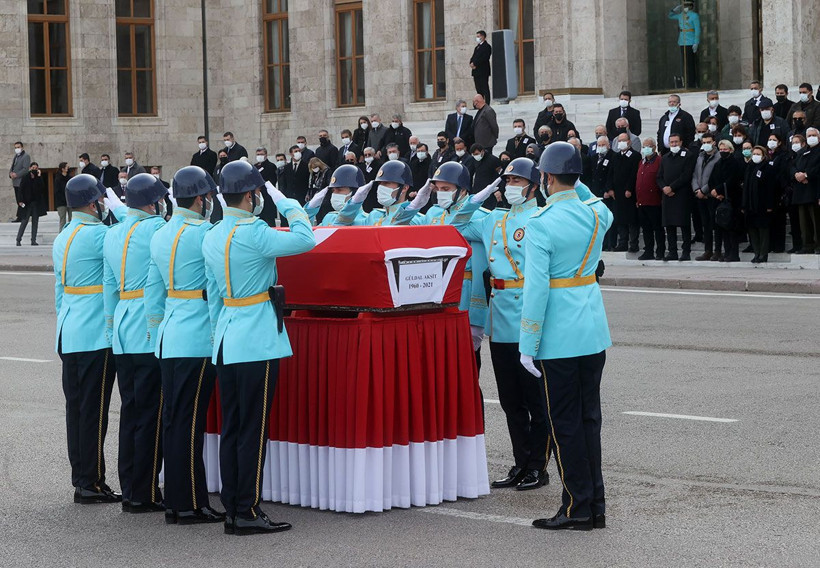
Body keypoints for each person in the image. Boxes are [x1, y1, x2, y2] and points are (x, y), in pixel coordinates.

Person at [202, 160, 314, 535]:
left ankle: (233, 505)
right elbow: (305, 238)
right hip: (257, 340)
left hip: (228, 339)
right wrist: (290, 203)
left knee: (233, 426)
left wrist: (219, 335)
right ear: (251, 196)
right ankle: (246, 511)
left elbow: (215, 297)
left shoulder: (213, 234)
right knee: (253, 428)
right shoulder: (255, 231)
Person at [444, 158, 557, 492]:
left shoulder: (542, 217)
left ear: (534, 186)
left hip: (529, 312)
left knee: (537, 399)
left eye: (517, 180)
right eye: (506, 180)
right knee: (510, 400)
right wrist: (483, 193)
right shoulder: (493, 219)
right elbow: (454, 220)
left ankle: (539, 465)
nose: (510, 186)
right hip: (501, 316)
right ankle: (521, 462)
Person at [520, 142, 613, 531]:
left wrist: (527, 344)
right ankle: (595, 506)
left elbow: (536, 290)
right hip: (592, 330)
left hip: (558, 336)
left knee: (565, 424)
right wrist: (574, 181)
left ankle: (576, 507)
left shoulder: (541, 223)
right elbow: (592, 200)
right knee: (589, 419)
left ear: (546, 177)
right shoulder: (597, 215)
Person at [144, 166, 224, 525]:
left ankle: (178, 501)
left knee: (175, 421)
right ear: (201, 199)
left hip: (169, 335)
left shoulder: (160, 234)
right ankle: (191, 503)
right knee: (190, 424)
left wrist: (156, 329)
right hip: (196, 337)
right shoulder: (206, 232)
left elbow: (152, 291)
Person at [54, 173, 126, 505]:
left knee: (77, 410)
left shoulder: (63, 236)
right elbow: (130, 235)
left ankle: (81, 477)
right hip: (95, 332)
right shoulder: (100, 235)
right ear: (94, 202)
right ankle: (91, 482)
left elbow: (59, 291)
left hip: (70, 330)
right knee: (94, 411)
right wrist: (122, 207)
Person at [103, 172, 168, 513]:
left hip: (124, 330)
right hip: (147, 327)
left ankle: (129, 485)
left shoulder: (112, 234)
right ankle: (145, 492)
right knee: (151, 414)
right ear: (153, 201)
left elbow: (108, 288)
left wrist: (112, 329)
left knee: (130, 412)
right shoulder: (158, 228)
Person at [336, 160, 415, 226]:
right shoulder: (374, 216)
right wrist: (354, 202)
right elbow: (342, 225)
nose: (381, 187)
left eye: (386, 183)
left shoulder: (414, 219)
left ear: (404, 188)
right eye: (380, 183)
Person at [657, 133, 696, 261]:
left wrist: (672, 187)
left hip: (681, 194)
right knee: (669, 225)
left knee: (683, 224)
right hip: (667, 196)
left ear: (681, 142)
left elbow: (686, 175)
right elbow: (659, 176)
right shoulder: (665, 157)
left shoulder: (688, 156)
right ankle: (672, 251)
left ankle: (686, 252)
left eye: (676, 142)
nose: (673, 144)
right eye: (671, 142)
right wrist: (664, 188)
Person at [708, 140, 743, 262]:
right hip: (719, 199)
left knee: (732, 228)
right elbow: (711, 178)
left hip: (731, 199)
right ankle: (726, 252)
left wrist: (719, 190)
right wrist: (714, 191)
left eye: (725, 149)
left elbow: (732, 180)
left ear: (730, 150)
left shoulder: (734, 163)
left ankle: (734, 254)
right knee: (722, 228)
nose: (722, 151)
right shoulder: (718, 163)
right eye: (721, 149)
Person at [742, 146, 776, 263]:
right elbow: (745, 187)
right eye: (754, 153)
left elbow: (771, 188)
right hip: (750, 205)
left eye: (758, 154)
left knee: (763, 230)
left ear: (763, 155)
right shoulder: (749, 167)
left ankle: (763, 254)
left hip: (762, 204)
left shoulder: (768, 168)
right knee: (752, 229)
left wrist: (770, 205)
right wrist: (744, 204)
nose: (755, 156)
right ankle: (756, 253)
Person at [608, 133, 640, 252]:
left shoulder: (635, 156)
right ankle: (622, 243)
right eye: (619, 140)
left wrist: (629, 188)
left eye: (624, 140)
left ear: (629, 142)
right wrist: (610, 188)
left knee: (631, 220)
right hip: (617, 193)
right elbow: (610, 173)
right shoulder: (615, 156)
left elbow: (634, 174)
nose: (621, 143)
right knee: (620, 220)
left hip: (629, 194)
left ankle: (633, 244)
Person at [790, 128, 820, 253]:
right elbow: (793, 165)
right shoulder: (803, 152)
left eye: (813, 135)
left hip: (814, 190)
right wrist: (797, 174)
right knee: (804, 222)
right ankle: (807, 245)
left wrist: (807, 175)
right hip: (801, 192)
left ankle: (818, 245)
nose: (811, 137)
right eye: (809, 135)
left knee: (816, 221)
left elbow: (818, 168)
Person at [691, 132, 721, 261]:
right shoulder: (700, 157)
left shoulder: (719, 157)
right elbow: (695, 175)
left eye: (708, 142)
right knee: (706, 224)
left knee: (716, 224)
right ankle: (707, 250)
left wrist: (704, 190)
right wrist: (696, 189)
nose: (706, 145)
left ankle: (718, 250)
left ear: (714, 142)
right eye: (704, 143)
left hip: (711, 195)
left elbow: (715, 177)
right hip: (699, 195)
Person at [635, 138, 665, 260]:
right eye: (644, 146)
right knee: (646, 229)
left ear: (654, 147)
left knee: (657, 228)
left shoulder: (659, 161)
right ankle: (648, 250)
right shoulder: (642, 162)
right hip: (642, 201)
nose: (645, 148)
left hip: (654, 201)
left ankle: (660, 251)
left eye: (648, 146)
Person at [590, 136, 616, 251]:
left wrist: (607, 189)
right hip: (596, 194)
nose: (601, 147)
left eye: (603, 145)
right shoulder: (594, 157)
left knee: (608, 220)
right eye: (599, 145)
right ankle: (601, 244)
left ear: (608, 145)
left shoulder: (613, 156)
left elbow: (612, 175)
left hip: (606, 193)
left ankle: (610, 243)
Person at [766, 133, 790, 253]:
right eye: (769, 139)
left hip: (778, 191)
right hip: (768, 192)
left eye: (774, 140)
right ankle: (770, 244)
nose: (771, 142)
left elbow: (781, 172)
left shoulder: (782, 155)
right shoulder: (767, 155)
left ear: (779, 142)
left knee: (779, 220)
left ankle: (779, 246)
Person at [668, 1, 700, 88]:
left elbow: (697, 29)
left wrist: (696, 42)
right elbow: (670, 16)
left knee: (691, 64)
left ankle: (692, 83)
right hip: (682, 41)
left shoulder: (694, 16)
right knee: (684, 63)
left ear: (691, 6)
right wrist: (674, 10)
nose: (685, 7)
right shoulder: (681, 15)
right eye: (685, 5)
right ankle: (686, 82)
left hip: (691, 41)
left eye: (687, 5)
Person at [16, 161, 46, 246]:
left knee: (35, 222)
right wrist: (20, 201)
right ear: (30, 168)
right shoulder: (25, 177)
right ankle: (18, 239)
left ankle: (33, 240)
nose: (34, 170)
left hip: (35, 203)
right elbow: (21, 190)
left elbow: (42, 188)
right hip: (27, 203)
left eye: (36, 168)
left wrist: (39, 176)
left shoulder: (38, 178)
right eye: (33, 168)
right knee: (24, 221)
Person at [470, 143, 503, 209]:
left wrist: (499, 190)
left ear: (482, 151)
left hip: (490, 192)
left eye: (476, 154)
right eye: (473, 154)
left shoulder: (493, 160)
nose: (475, 156)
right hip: (478, 190)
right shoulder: (474, 160)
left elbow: (499, 176)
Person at [254, 147, 279, 227]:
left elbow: (272, 182)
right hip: (257, 197)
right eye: (258, 154)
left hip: (267, 197)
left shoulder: (271, 166)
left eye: (261, 154)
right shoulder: (254, 167)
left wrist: (261, 187)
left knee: (269, 222)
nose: (259, 156)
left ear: (266, 155)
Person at [470, 30, 492, 104]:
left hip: (483, 70)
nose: (477, 38)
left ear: (483, 37)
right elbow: (473, 56)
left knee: (484, 87)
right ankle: (480, 103)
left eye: (478, 36)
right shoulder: (477, 47)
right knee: (478, 88)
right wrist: (471, 63)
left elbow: (484, 58)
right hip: (476, 71)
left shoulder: (487, 47)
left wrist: (475, 63)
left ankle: (487, 103)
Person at [54, 162, 71, 232]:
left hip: (70, 202)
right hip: (61, 202)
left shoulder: (69, 178)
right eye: (66, 166)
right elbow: (57, 191)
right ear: (63, 169)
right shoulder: (58, 178)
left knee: (72, 219)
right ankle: (61, 236)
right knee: (62, 220)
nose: (68, 167)